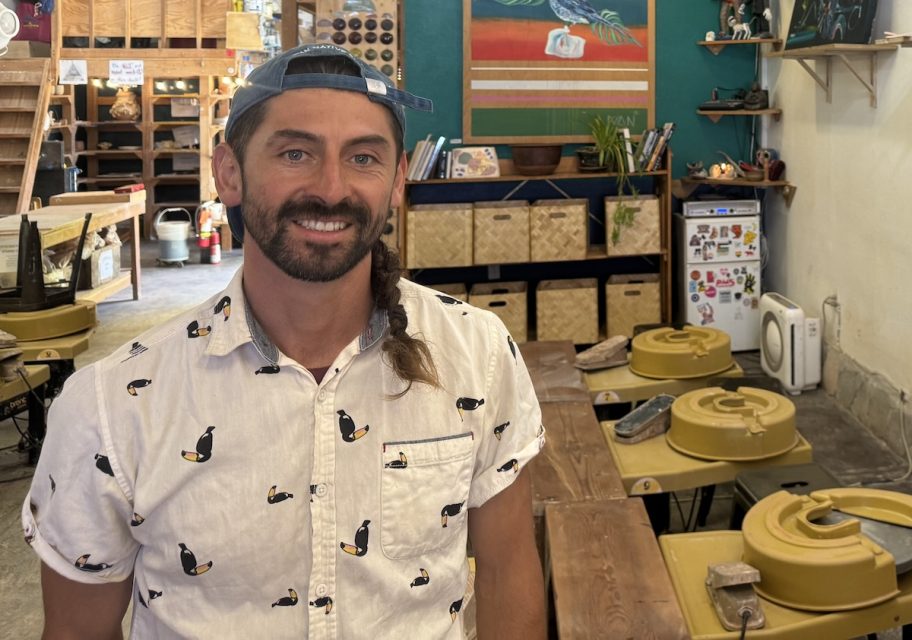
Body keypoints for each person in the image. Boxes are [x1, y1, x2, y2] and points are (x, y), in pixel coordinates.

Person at [23, 44, 547, 638]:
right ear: (229, 173)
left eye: (364, 158)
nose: (331, 188)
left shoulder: (476, 355)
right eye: (295, 153)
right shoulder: (113, 405)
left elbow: (507, 571)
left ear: (398, 179)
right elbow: (77, 631)